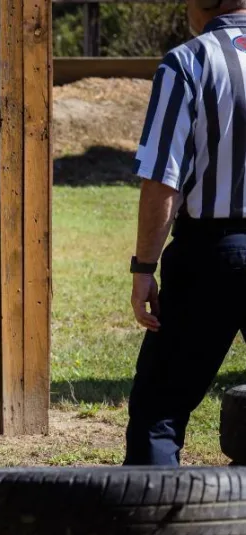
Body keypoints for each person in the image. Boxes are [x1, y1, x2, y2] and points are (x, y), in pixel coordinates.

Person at [126, 0, 246, 466]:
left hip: (211, 253)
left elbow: (162, 180)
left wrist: (143, 268)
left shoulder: (188, 60)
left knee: (160, 411)